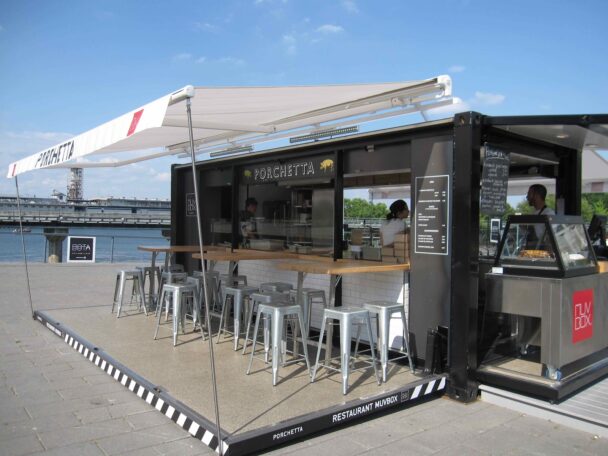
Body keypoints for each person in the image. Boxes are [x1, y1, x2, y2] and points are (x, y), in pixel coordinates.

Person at [525, 184, 555, 250]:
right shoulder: (533, 213)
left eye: (529, 194)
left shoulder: (549, 213)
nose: (527, 197)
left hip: (542, 252)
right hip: (533, 252)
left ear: (536, 195)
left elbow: (551, 239)